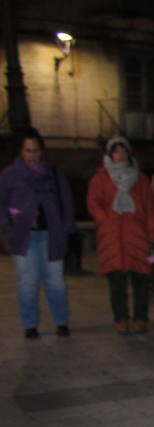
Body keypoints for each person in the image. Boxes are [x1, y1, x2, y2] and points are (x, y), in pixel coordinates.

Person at [1, 128, 74, 338]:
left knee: (55, 281)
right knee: (28, 282)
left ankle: (61, 322)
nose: (33, 155)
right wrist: (7, 225)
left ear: (42, 151)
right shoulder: (9, 175)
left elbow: (66, 201)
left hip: (51, 235)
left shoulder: (53, 172)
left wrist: (67, 227)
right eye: (28, 150)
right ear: (20, 151)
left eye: (36, 150)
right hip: (23, 237)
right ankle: (29, 325)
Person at [87, 136, 154, 334]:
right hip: (112, 237)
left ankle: (140, 318)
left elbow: (149, 207)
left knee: (141, 280)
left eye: (123, 151)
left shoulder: (140, 179)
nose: (120, 155)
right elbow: (93, 202)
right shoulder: (100, 179)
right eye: (116, 151)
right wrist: (104, 220)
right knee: (116, 282)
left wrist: (151, 232)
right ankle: (121, 318)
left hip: (136, 235)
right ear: (110, 155)